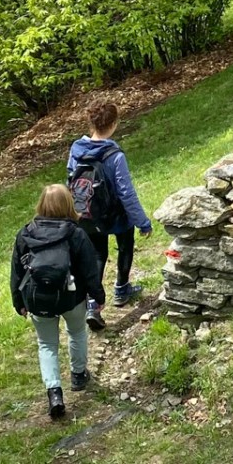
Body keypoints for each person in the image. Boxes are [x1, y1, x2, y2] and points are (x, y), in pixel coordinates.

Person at [9, 184, 107, 420]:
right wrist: (98, 297)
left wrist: (18, 301)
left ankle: (54, 393)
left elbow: (16, 272)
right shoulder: (76, 234)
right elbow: (89, 270)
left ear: (41, 204)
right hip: (71, 297)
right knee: (76, 333)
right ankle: (78, 374)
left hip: (37, 299)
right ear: (68, 204)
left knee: (46, 344)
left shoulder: (25, 233)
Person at [67, 100, 153, 330]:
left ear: (91, 123)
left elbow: (71, 181)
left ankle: (93, 303)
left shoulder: (76, 150)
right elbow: (126, 193)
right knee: (125, 246)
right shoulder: (114, 155)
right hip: (116, 216)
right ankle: (121, 289)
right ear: (114, 124)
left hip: (87, 215)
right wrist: (142, 222)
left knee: (97, 254)